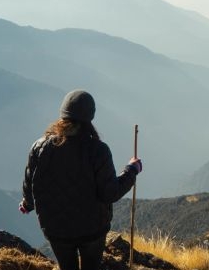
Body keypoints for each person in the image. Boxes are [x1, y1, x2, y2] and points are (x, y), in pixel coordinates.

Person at [19, 90, 142, 270]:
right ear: (90, 116)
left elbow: (31, 183)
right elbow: (110, 193)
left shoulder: (40, 147)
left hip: (56, 229)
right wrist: (132, 170)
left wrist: (27, 204)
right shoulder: (98, 150)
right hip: (92, 230)